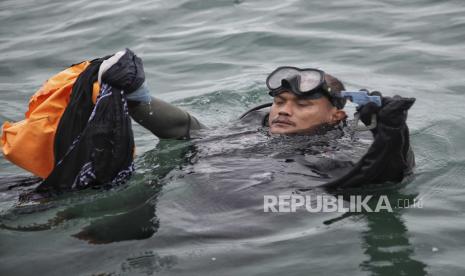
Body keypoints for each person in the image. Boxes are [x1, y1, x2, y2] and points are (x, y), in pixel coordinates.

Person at [99, 49, 415, 190]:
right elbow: (188, 131)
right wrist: (137, 97)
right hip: (183, 192)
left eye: (302, 103)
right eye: (279, 101)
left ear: (336, 115)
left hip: (255, 221)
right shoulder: (256, 124)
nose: (284, 110)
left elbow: (385, 178)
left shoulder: (343, 147)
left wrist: (390, 132)